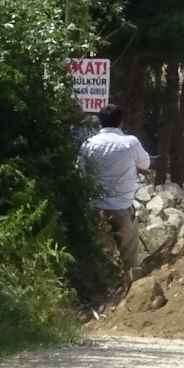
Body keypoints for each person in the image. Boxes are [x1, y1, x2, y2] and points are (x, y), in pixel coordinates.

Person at [80, 104, 151, 279]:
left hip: (95, 207)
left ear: (100, 122)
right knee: (130, 254)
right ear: (121, 122)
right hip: (122, 208)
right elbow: (146, 164)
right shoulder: (130, 143)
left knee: (102, 256)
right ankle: (133, 290)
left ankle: (104, 290)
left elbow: (80, 173)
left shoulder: (88, 145)